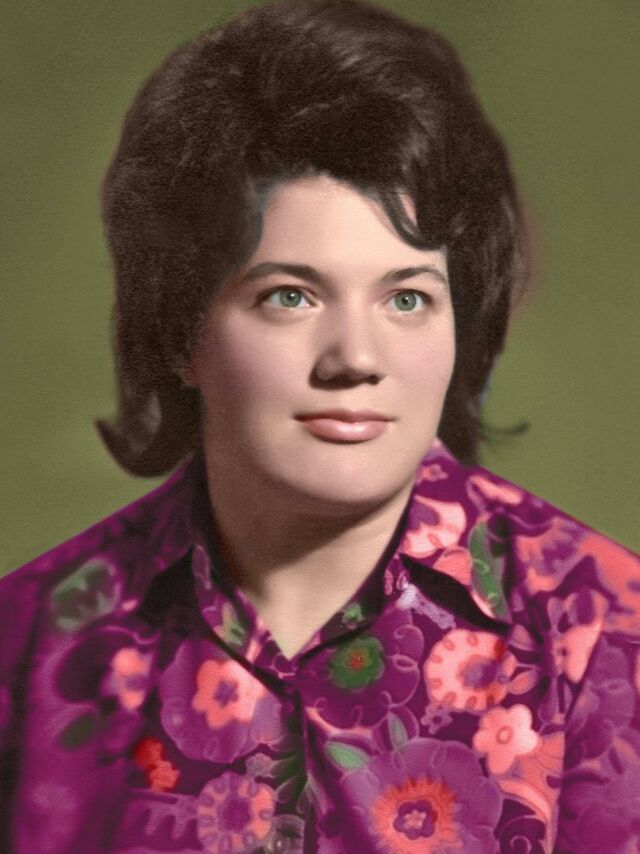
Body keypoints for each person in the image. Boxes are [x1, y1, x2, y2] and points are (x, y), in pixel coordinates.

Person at [1, 1, 638, 851]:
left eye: (406, 298)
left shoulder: (607, 637)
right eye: (290, 296)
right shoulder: (28, 641)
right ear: (181, 330)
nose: (355, 359)